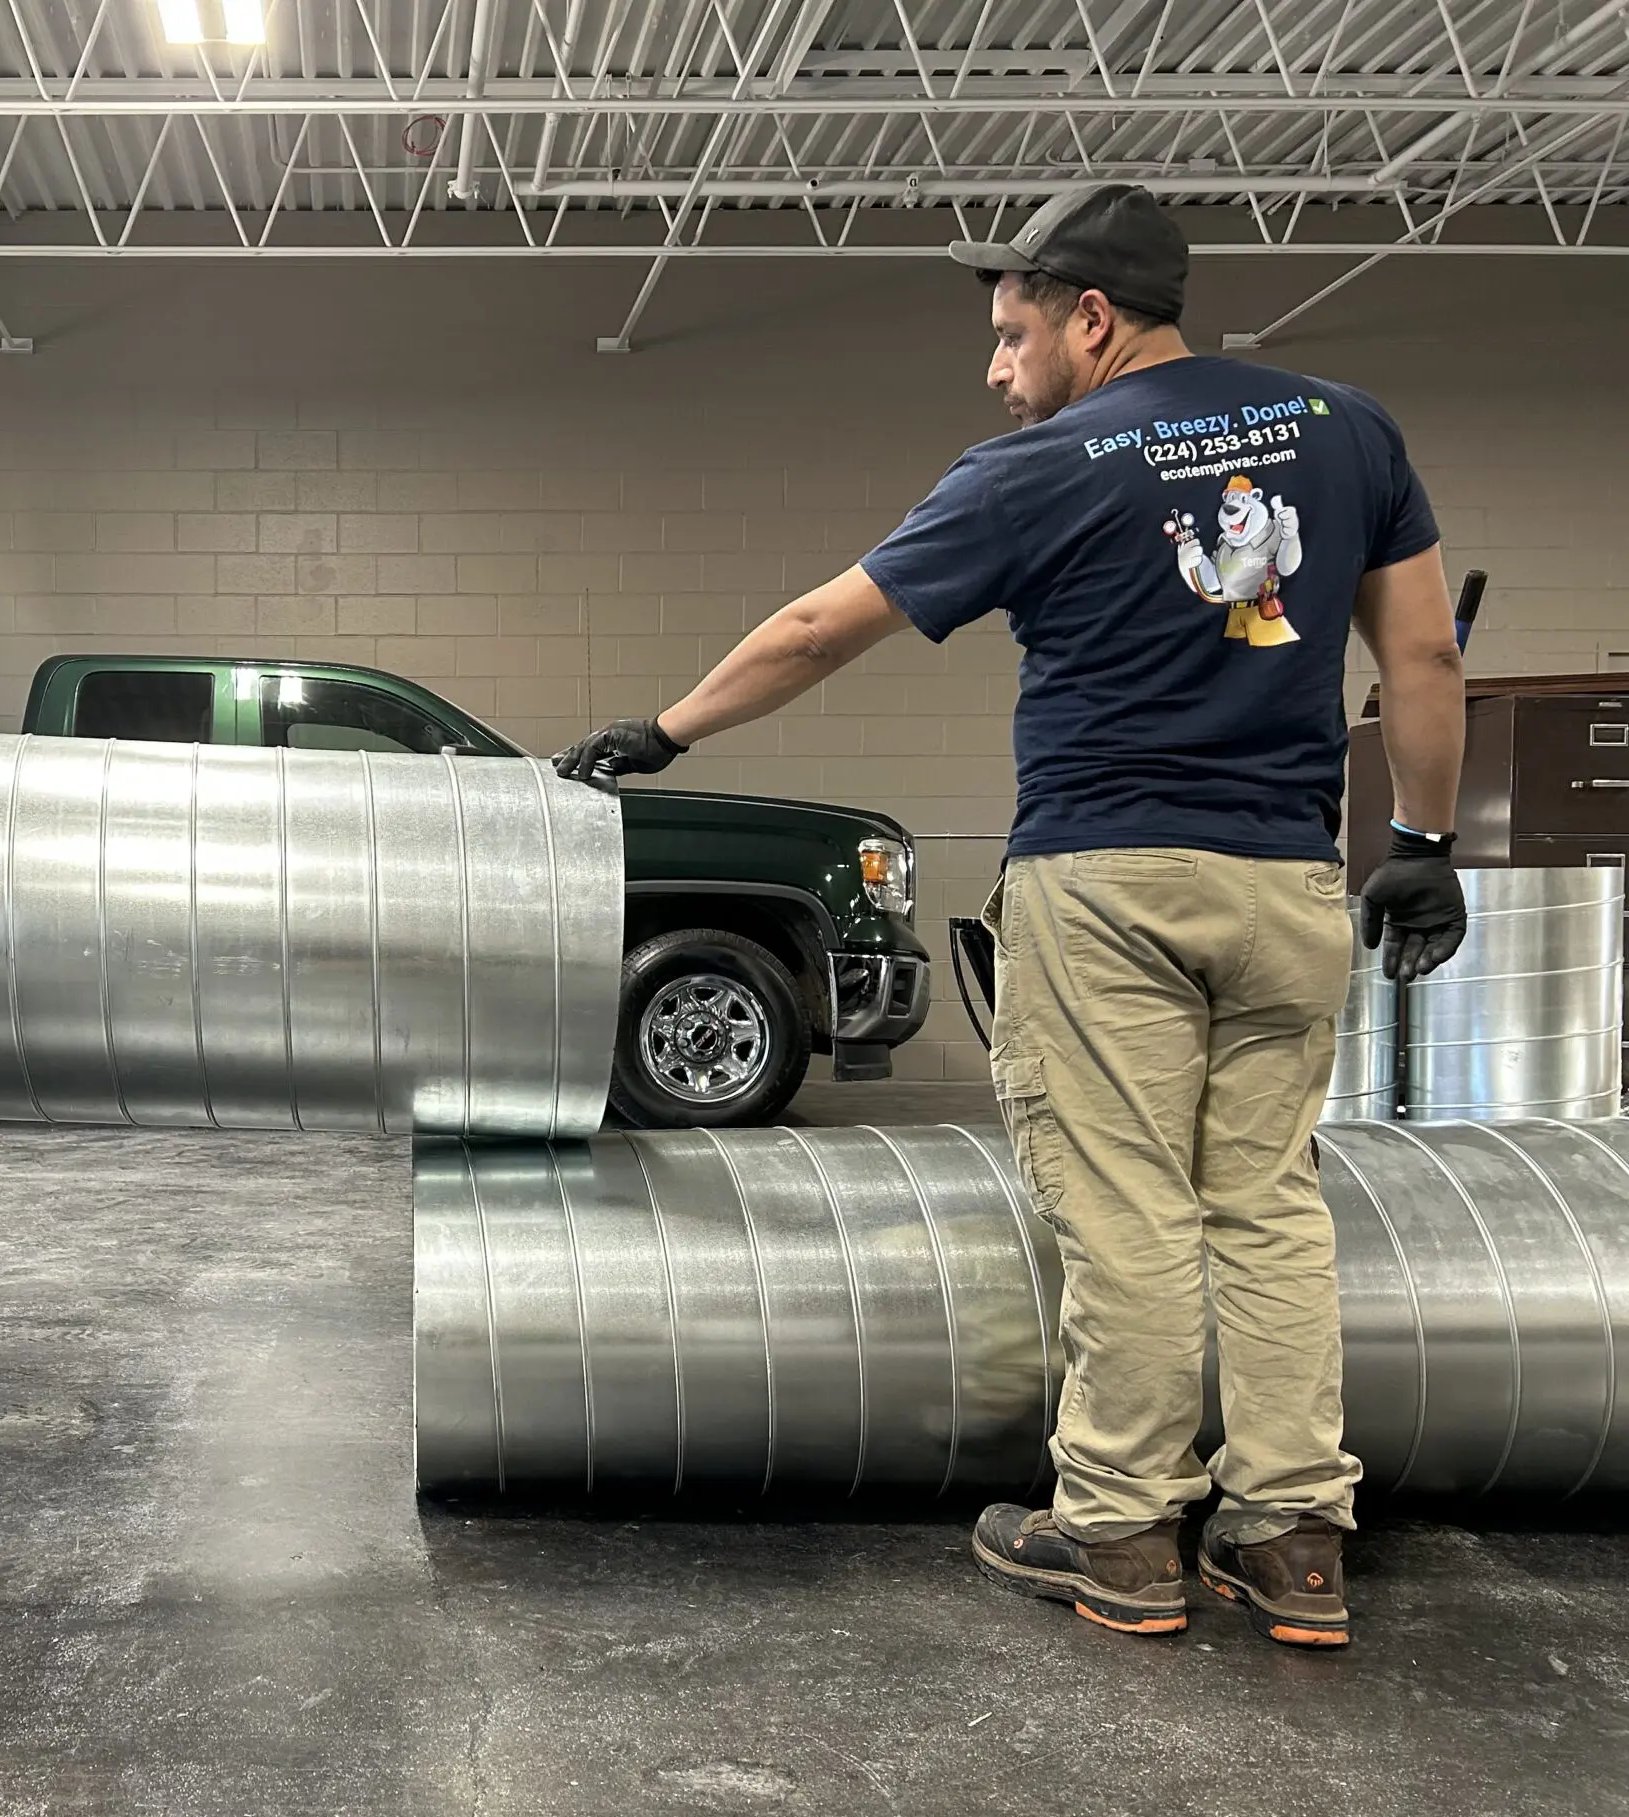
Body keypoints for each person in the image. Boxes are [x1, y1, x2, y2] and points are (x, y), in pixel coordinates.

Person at [554, 182, 1469, 1649]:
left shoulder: (1038, 466)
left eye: (1010, 333)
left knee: (1127, 1215)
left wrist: (663, 732)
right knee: (1270, 1206)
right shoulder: (1346, 427)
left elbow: (816, 630)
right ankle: (1295, 1539)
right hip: (1290, 881)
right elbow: (1421, 647)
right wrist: (1421, 841)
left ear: (1090, 320)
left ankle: (1117, 1532)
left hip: (1107, 884)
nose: (997, 369)